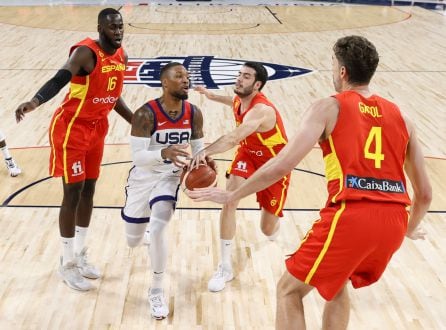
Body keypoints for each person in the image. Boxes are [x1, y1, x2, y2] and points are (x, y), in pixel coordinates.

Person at [189, 35, 432, 329]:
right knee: (336, 282)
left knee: (288, 290)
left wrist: (233, 195)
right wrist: (409, 228)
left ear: (342, 71)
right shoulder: (404, 118)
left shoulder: (328, 107)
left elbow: (283, 164)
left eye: (333, 64)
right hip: (394, 221)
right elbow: (425, 195)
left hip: (351, 215)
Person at [15, 8, 133, 291]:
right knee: (73, 192)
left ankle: (80, 254)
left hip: (97, 128)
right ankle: (66, 263)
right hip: (71, 129)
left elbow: (113, 97)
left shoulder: (122, 56)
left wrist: (136, 123)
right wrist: (35, 101)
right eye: (112, 27)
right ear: (100, 28)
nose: (118, 31)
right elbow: (59, 79)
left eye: (120, 27)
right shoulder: (84, 53)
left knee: (90, 190)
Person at [121, 62, 213, 320]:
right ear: (164, 82)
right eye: (179, 76)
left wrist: (204, 159)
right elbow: (138, 157)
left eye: (187, 76)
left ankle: (156, 289)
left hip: (170, 177)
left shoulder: (193, 112)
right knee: (133, 240)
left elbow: (197, 148)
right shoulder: (144, 114)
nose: (186, 80)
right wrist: (163, 152)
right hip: (143, 178)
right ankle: (143, 231)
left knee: (161, 223)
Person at [191, 62, 291, 293]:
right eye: (239, 74)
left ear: (257, 85)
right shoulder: (241, 99)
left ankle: (274, 225)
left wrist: (205, 151)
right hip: (247, 155)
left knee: (267, 229)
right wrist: (212, 96)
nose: (239, 79)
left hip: (274, 165)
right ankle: (224, 266)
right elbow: (233, 102)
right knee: (229, 200)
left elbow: (234, 137)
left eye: (246, 77)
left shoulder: (262, 110)